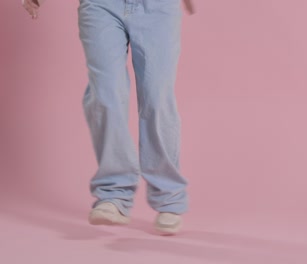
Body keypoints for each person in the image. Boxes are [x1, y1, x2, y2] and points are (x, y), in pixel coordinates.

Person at [22, 0, 195, 235]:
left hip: (158, 7)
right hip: (100, 5)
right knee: (105, 93)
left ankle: (168, 197)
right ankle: (114, 194)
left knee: (157, 97)